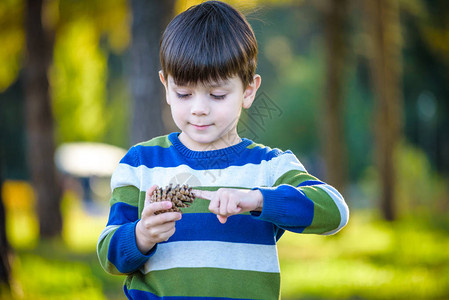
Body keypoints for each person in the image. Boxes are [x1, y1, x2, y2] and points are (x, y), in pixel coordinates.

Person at [97, 1, 349, 299]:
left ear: (249, 91)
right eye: (184, 93)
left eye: (217, 94)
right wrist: (141, 235)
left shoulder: (268, 167)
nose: (199, 109)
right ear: (165, 85)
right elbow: (109, 256)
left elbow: (335, 212)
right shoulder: (140, 164)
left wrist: (256, 199)